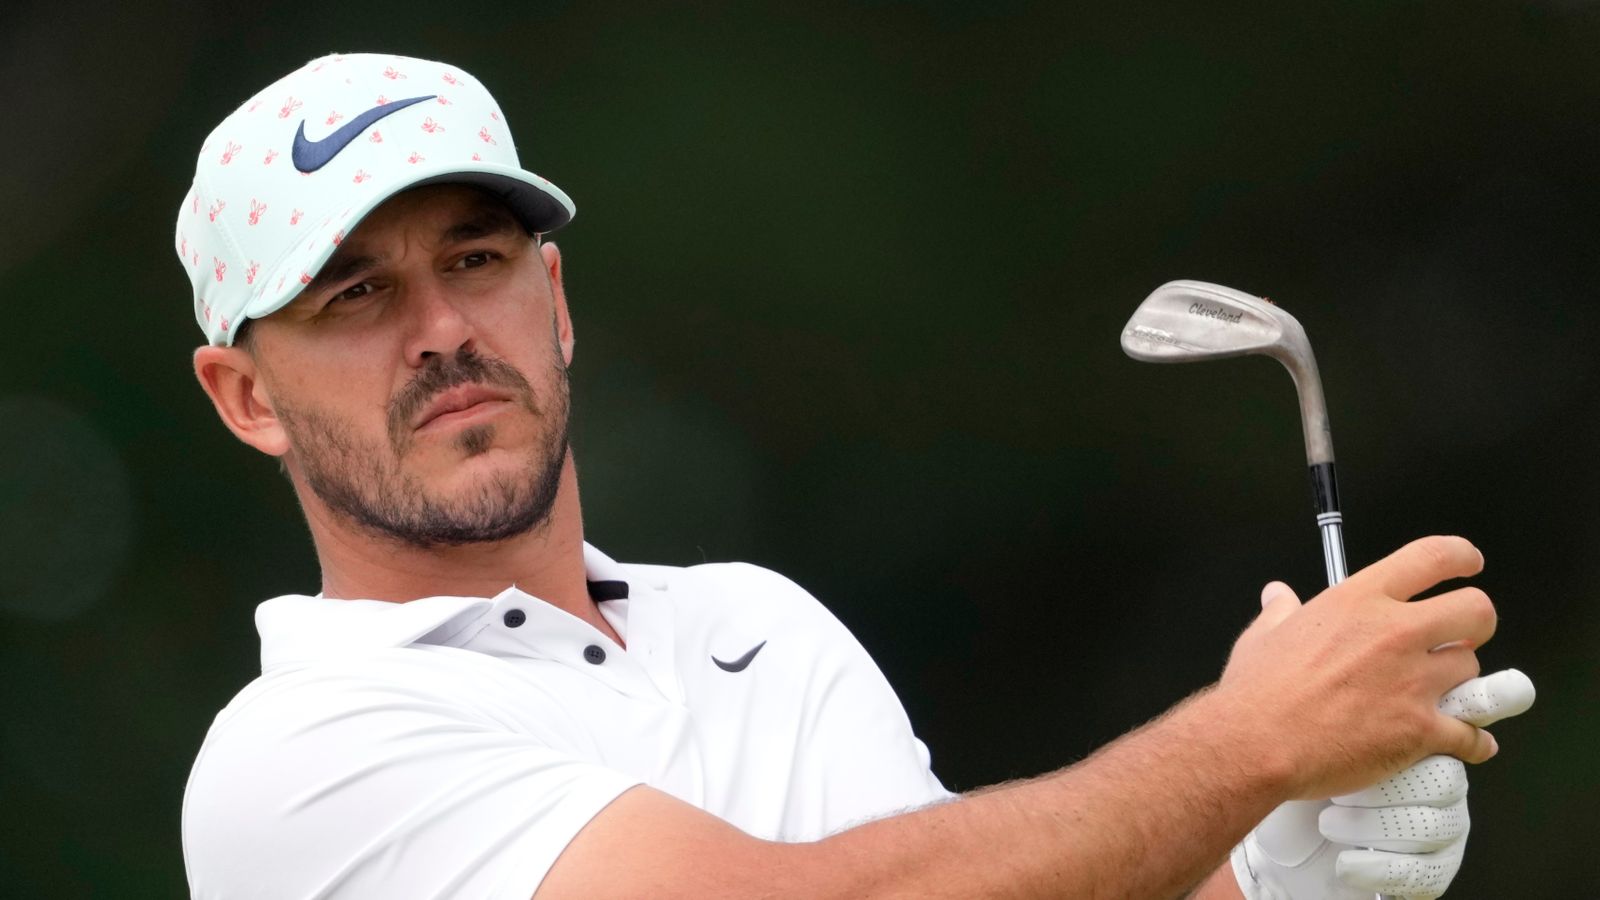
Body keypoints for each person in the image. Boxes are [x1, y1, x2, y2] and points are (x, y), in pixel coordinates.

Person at [176, 53, 1534, 900]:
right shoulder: (298, 758)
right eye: (355, 295)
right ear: (247, 399)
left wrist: (1277, 864)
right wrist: (1248, 746)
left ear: (557, 300)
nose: (442, 330)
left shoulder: (756, 625)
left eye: (475, 259)